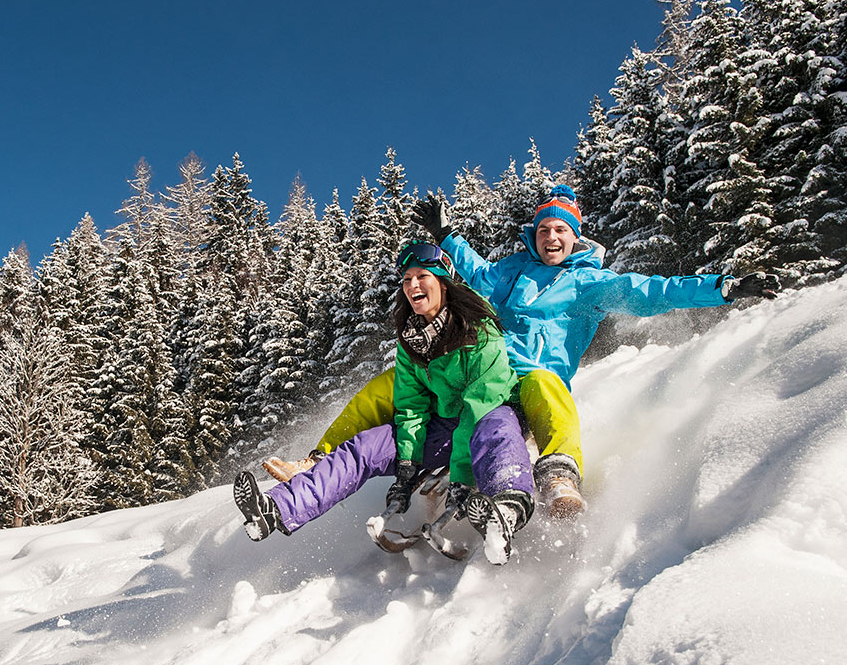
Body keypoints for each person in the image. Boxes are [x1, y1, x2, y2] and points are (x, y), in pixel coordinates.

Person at [263, 185, 780, 518]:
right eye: (544, 229)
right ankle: (316, 462)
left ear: (574, 238)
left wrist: (722, 287)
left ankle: (557, 473)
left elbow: (653, 291)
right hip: (482, 370)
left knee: (547, 386)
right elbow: (475, 270)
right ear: (534, 234)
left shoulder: (590, 284)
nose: (552, 236)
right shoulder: (512, 271)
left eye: (562, 230)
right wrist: (446, 235)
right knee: (390, 386)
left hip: (530, 380)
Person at [234, 241, 536, 563]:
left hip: (491, 414)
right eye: (406, 279)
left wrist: (461, 476)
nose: (412, 285)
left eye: (422, 276)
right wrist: (407, 467)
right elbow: (410, 407)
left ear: (443, 282)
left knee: (496, 430)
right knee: (366, 446)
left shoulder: (478, 329)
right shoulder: (411, 339)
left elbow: (480, 404)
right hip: (445, 426)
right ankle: (277, 508)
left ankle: (507, 507)